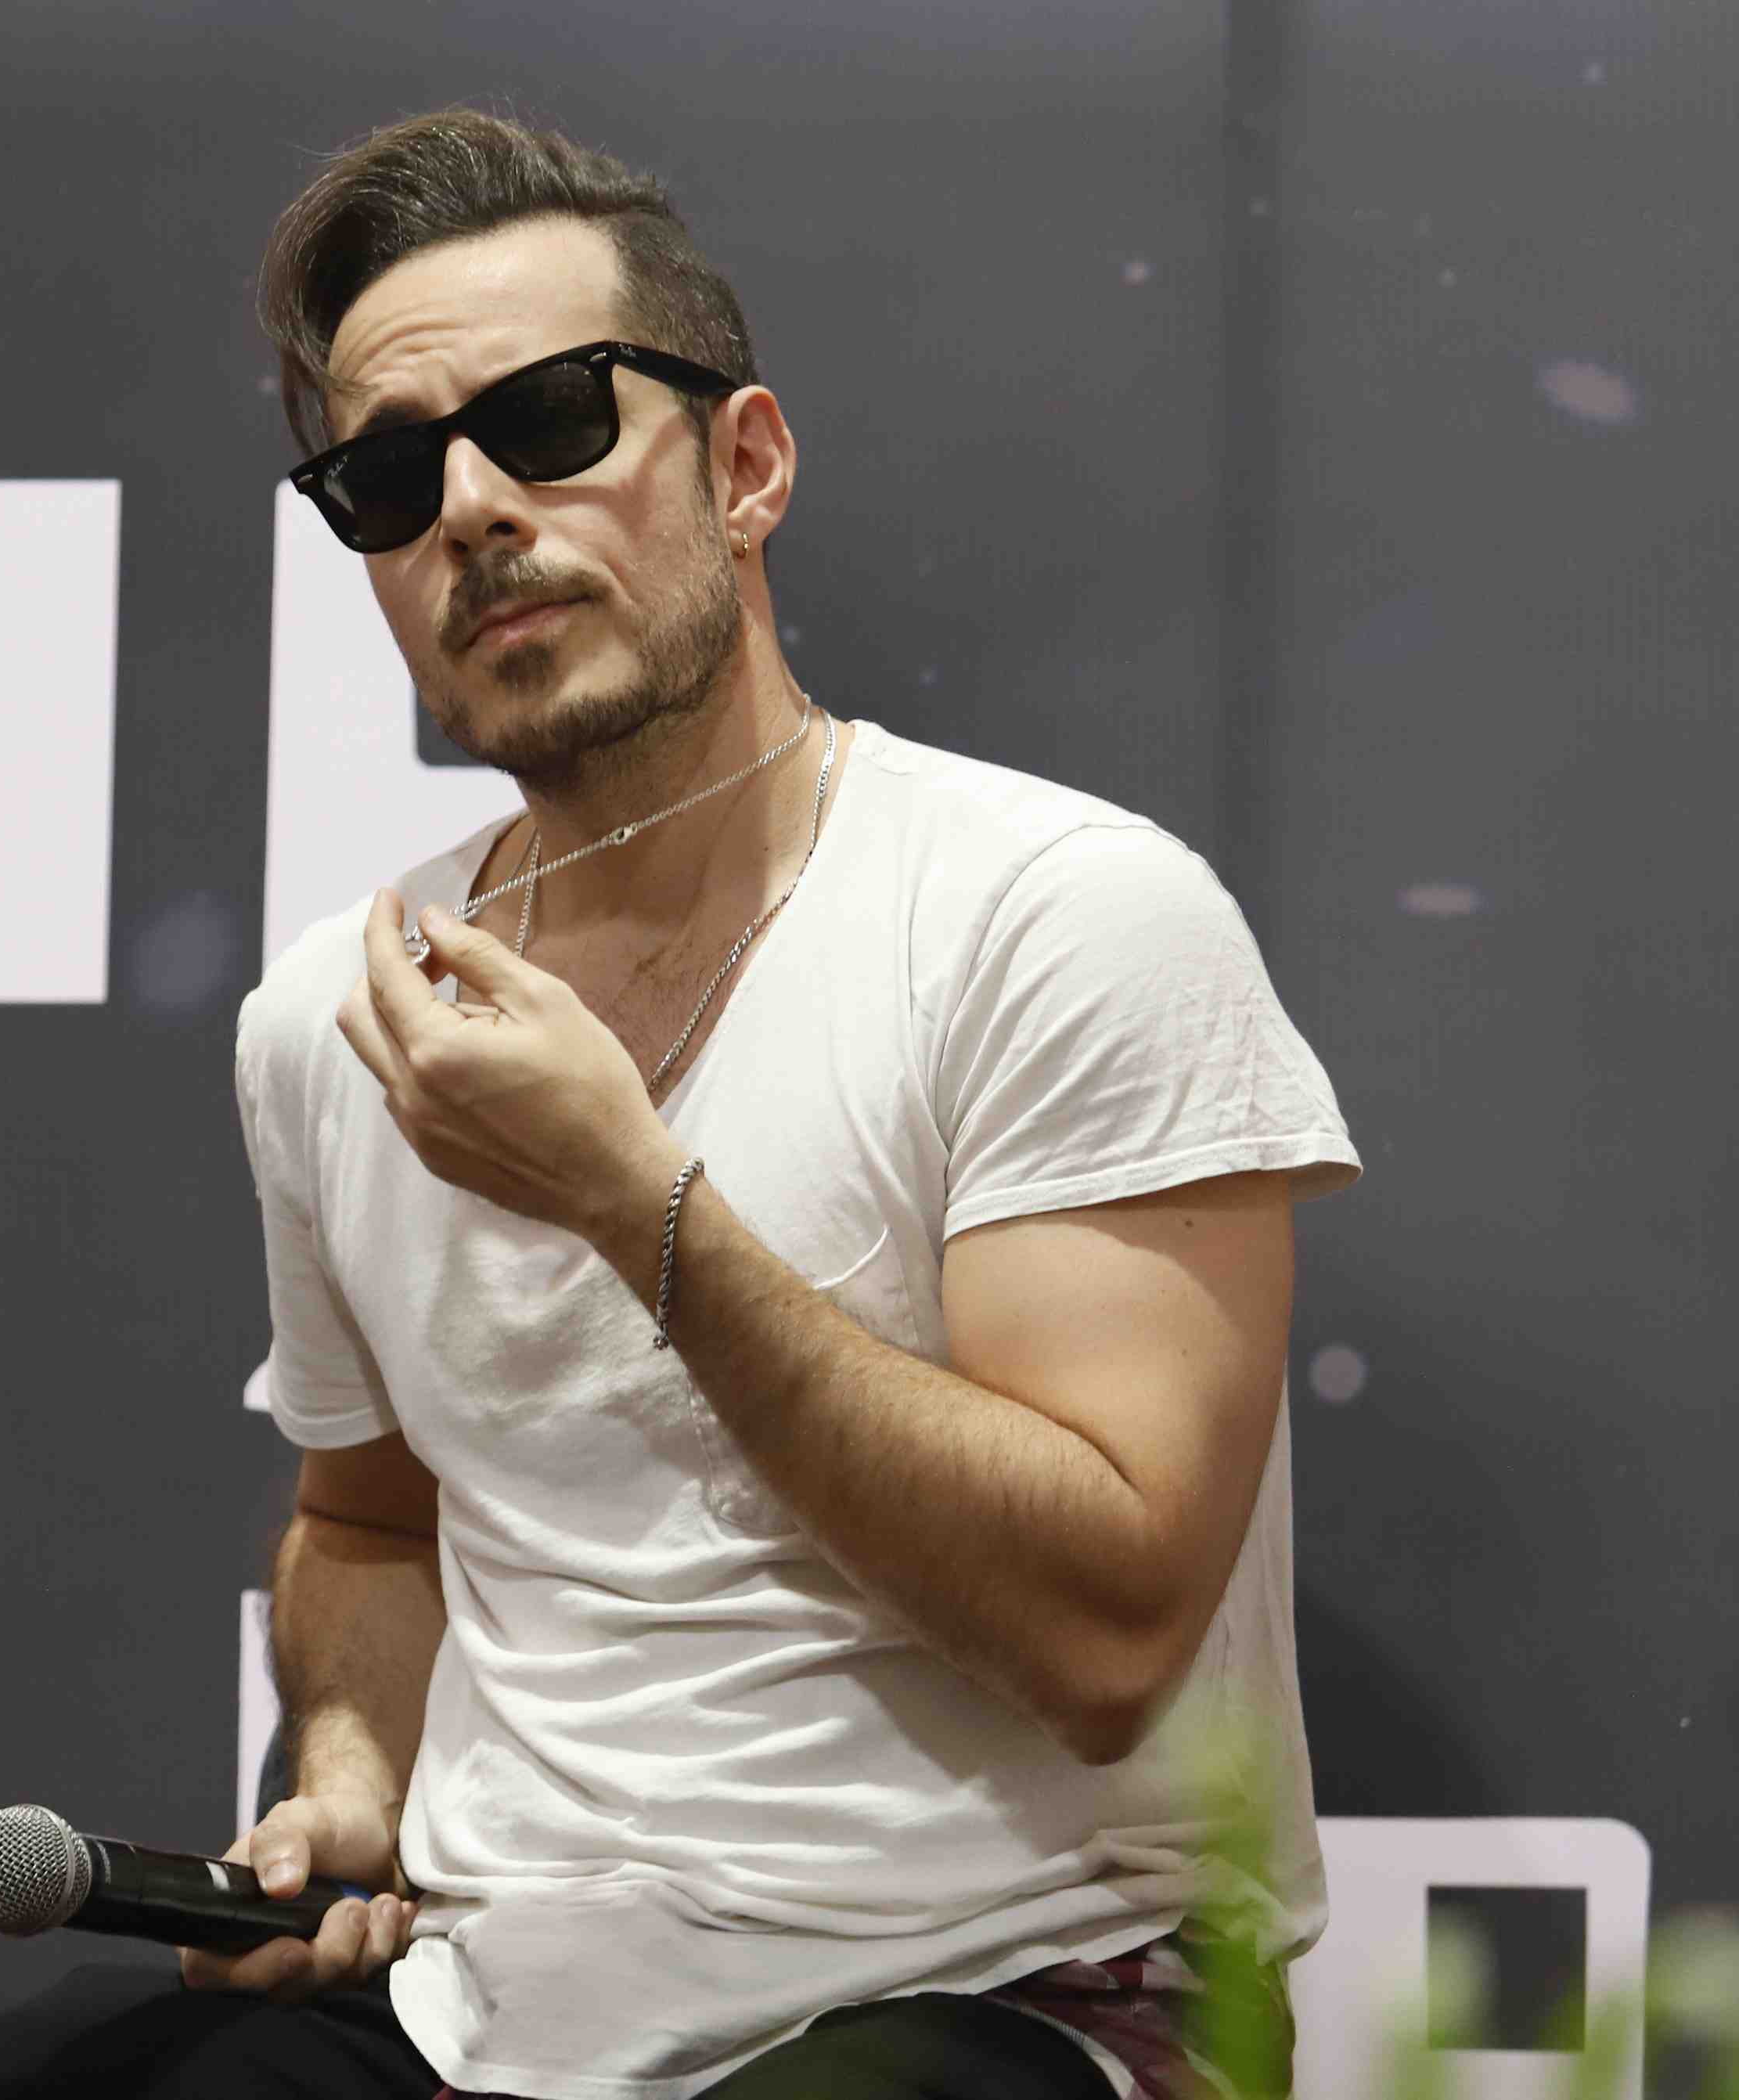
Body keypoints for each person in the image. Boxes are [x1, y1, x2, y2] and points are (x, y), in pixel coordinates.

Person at [146, 108, 1363, 2100]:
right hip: (482, 2001)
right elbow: (366, 1524)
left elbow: (1103, 1639)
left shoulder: (1054, 916)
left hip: (1007, 1987)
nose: (468, 509)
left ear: (745, 467)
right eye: (387, 474)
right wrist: (350, 1771)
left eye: (547, 418)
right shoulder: (337, 1020)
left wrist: (634, 1205)